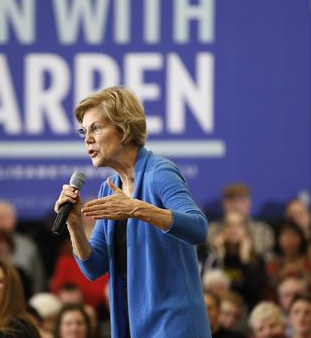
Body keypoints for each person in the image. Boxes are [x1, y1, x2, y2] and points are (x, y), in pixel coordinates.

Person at [55, 86, 210, 337]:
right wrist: (74, 224)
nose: (87, 139)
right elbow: (93, 267)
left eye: (95, 128)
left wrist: (136, 208)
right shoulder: (110, 191)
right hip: (131, 325)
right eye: (84, 131)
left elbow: (198, 228)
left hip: (173, 325)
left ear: (124, 128)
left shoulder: (159, 172)